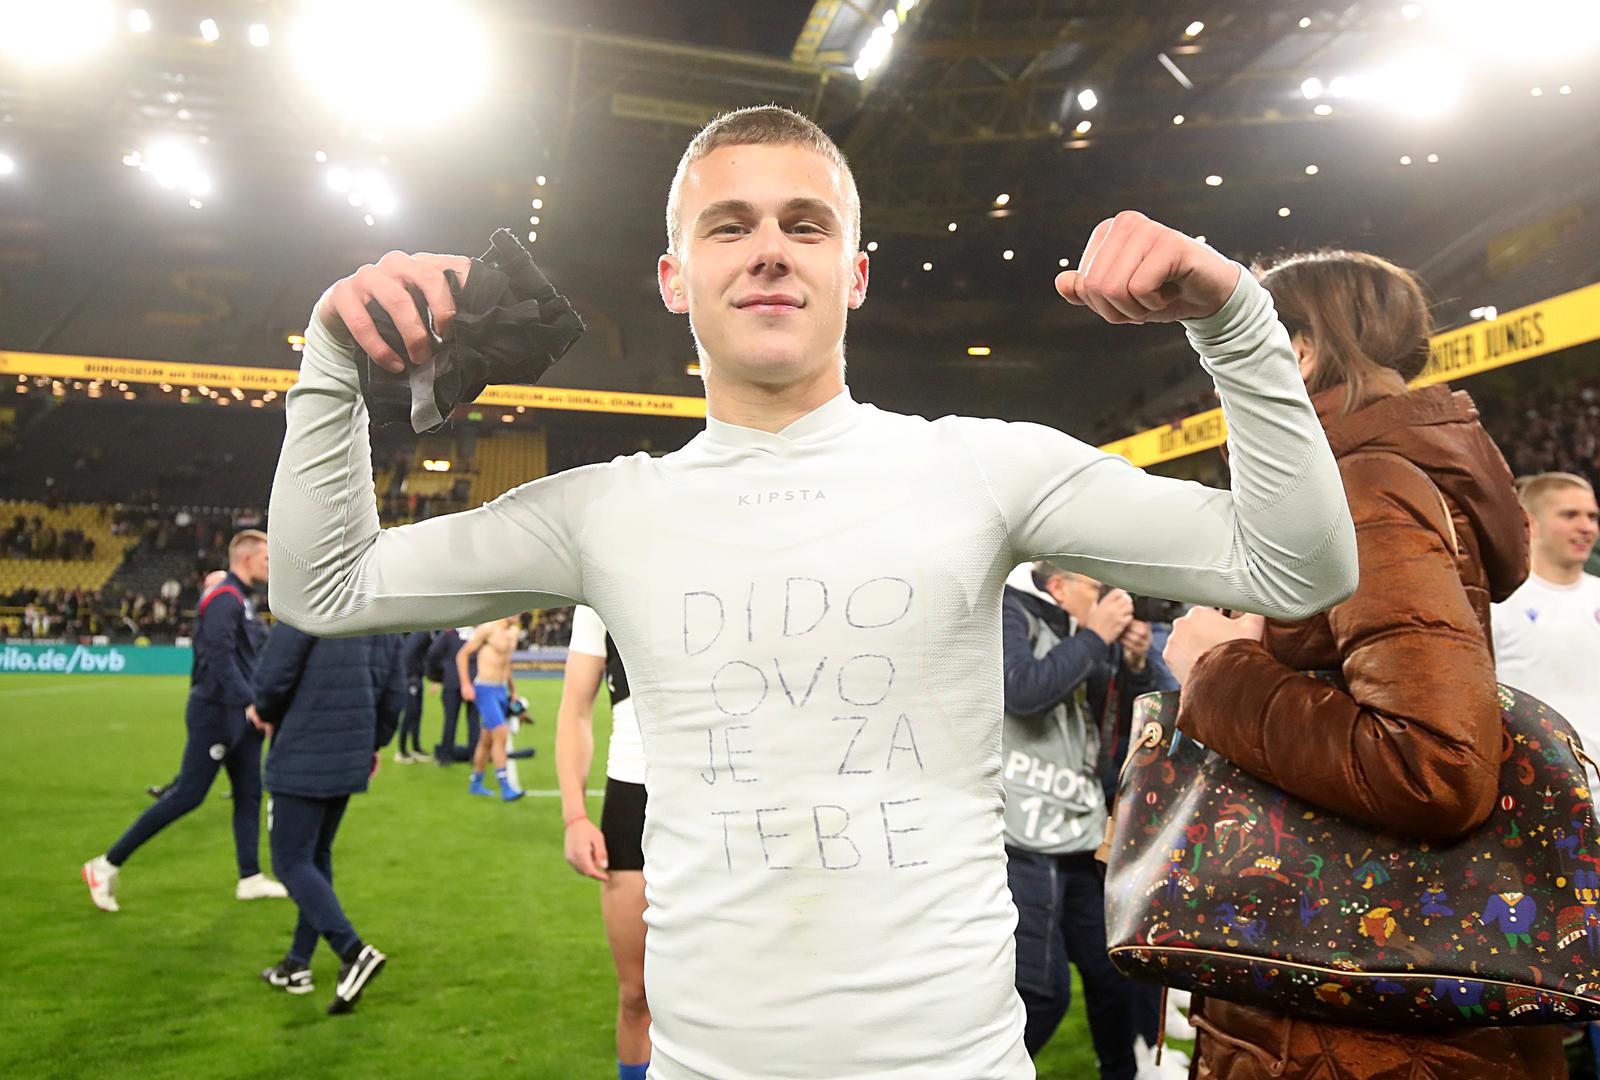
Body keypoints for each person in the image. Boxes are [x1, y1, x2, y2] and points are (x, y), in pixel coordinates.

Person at [267, 106, 1358, 1078]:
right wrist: (330, 360)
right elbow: (324, 585)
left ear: (857, 272)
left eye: (806, 224)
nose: (770, 254)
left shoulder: (981, 467)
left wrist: (1235, 321)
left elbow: (1296, 566)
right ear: (673, 276)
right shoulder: (603, 512)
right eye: (728, 226)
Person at [1161, 249, 1562, 1078]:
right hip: (1365, 1007)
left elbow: (1434, 765)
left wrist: (1218, 669)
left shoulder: (1360, 485)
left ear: (1298, 351)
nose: (1216, 382)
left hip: (1355, 1032)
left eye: (1227, 347)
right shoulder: (1365, 478)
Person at [999, 561, 1164, 1078]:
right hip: (1026, 836)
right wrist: (1096, 636)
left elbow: (1107, 718)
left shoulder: (1080, 634)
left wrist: (1133, 663)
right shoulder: (1008, 611)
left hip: (1079, 831)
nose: (1105, 599)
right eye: (1095, 588)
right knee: (1041, 992)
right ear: (1057, 586)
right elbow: (1023, 692)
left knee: (1114, 977)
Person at [84, 533, 288, 911]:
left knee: (249, 793)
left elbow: (245, 658)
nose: (269, 565)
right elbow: (220, 660)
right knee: (188, 795)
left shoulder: (240, 600)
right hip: (216, 712)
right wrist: (252, 704)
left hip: (238, 713)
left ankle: (250, 877)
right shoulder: (224, 599)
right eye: (265, 558)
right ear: (244, 559)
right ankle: (105, 864)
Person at [251, 623, 404, 1014]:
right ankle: (297, 964)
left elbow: (273, 676)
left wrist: (263, 709)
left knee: (290, 861)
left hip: (304, 747)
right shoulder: (380, 608)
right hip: (351, 748)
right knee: (316, 856)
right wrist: (374, 742)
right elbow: (394, 689)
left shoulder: (306, 596)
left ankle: (353, 951)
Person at [557, 605, 651, 1080]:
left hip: (722, 800)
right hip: (632, 794)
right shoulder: (603, 583)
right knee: (636, 995)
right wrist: (575, 814)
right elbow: (575, 708)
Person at [1492, 473, 1600, 769]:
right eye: (1570, 515)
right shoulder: (1499, 603)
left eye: (1592, 516)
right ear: (1531, 522)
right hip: (1540, 791)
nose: (1586, 527)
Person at [148, 570, 230, 800]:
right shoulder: (209, 615)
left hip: (220, 699)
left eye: (211, 586)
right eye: (205, 586)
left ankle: (177, 791)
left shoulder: (227, 616)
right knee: (230, 751)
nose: (206, 591)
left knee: (204, 750)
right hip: (210, 695)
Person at [458, 616, 524, 801]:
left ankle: (476, 783)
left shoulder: (513, 632)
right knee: (501, 733)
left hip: (501, 690)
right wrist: (466, 685)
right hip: (485, 689)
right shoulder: (488, 628)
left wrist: (513, 690)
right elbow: (462, 654)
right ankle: (505, 787)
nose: (518, 615)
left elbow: (506, 663)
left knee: (486, 741)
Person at [425, 626, 478, 764]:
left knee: (450, 721)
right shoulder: (479, 633)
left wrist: (438, 674)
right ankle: (475, 755)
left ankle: (445, 756)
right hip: (474, 681)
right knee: (474, 721)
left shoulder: (449, 634)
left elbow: (433, 653)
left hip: (451, 681)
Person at [394, 629, 435, 763]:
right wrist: (410, 678)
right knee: (409, 714)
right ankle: (401, 750)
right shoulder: (422, 634)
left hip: (417, 678)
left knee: (417, 713)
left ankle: (416, 748)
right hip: (411, 679)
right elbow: (408, 654)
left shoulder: (426, 634)